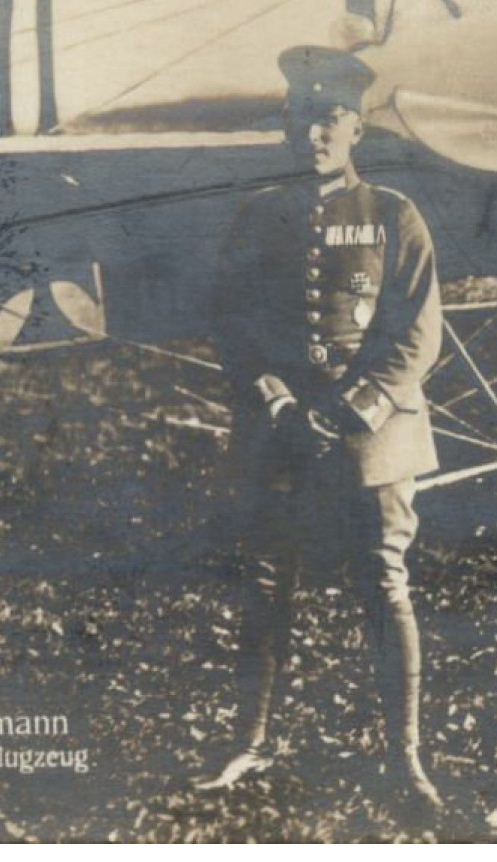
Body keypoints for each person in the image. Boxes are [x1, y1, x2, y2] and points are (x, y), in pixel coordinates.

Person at [199, 45, 444, 814]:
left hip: (371, 431)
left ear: (356, 130)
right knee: (268, 582)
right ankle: (247, 744)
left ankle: (405, 759)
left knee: (383, 582)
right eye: (302, 116)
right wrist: (274, 400)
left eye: (330, 118)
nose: (315, 133)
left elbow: (417, 335)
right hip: (280, 430)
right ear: (286, 123)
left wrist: (349, 409)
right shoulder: (255, 217)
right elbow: (232, 322)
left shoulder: (395, 217)